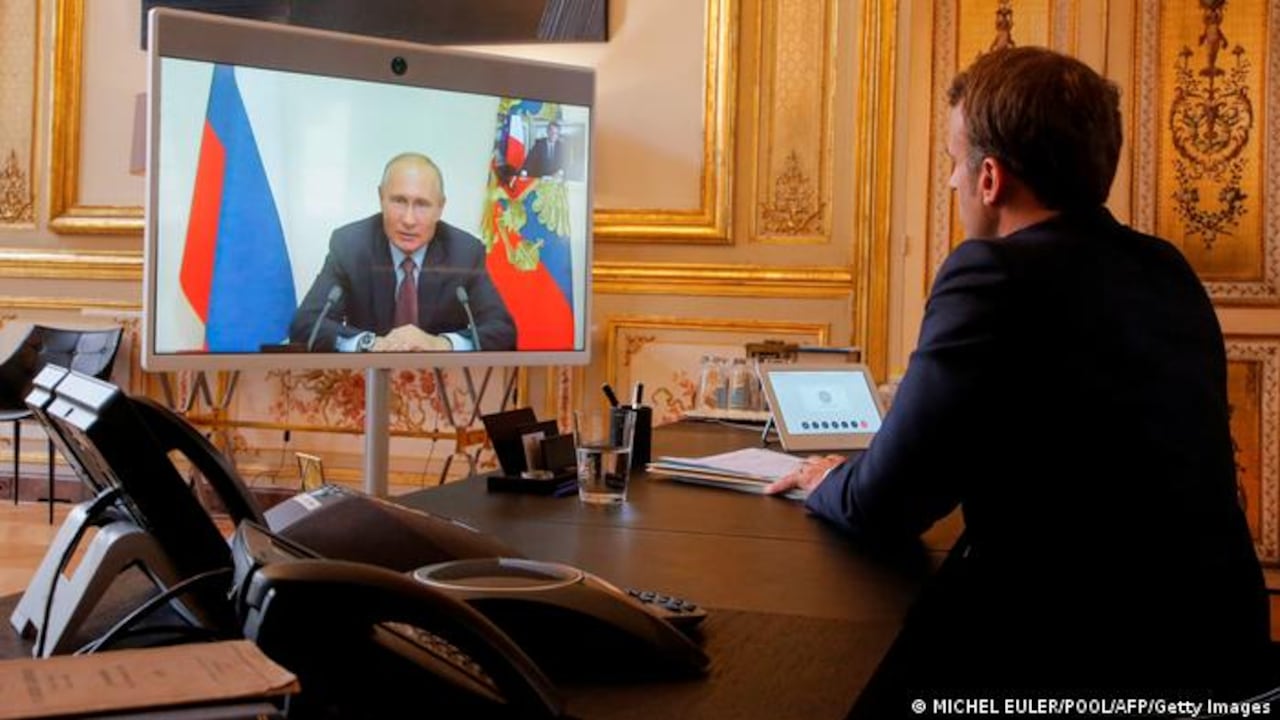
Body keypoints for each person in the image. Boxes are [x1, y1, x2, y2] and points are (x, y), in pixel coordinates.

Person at [766, 47, 1272, 704]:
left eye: (954, 161)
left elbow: (883, 505)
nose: (951, 180)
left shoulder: (991, 274)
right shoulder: (1164, 267)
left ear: (989, 179)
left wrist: (827, 479)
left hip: (1075, 659)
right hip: (1222, 647)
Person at [291, 153, 515, 352]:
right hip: (366, 377)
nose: (408, 220)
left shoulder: (464, 252)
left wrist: (440, 344)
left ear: (440, 207)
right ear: (381, 198)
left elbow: (503, 331)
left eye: (422, 204)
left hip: (440, 379)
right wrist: (370, 343)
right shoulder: (351, 245)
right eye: (399, 201)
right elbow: (306, 325)